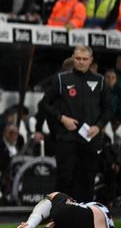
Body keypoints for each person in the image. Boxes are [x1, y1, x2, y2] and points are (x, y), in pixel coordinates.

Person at [40, 46, 112, 201]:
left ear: (90, 61)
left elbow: (108, 108)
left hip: (90, 137)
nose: (81, 62)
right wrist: (62, 118)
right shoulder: (61, 79)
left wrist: (98, 126)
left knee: (87, 179)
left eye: (84, 59)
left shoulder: (99, 81)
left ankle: (84, 215)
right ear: (73, 58)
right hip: (67, 138)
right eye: (78, 58)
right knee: (65, 177)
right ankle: (57, 215)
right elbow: (45, 103)